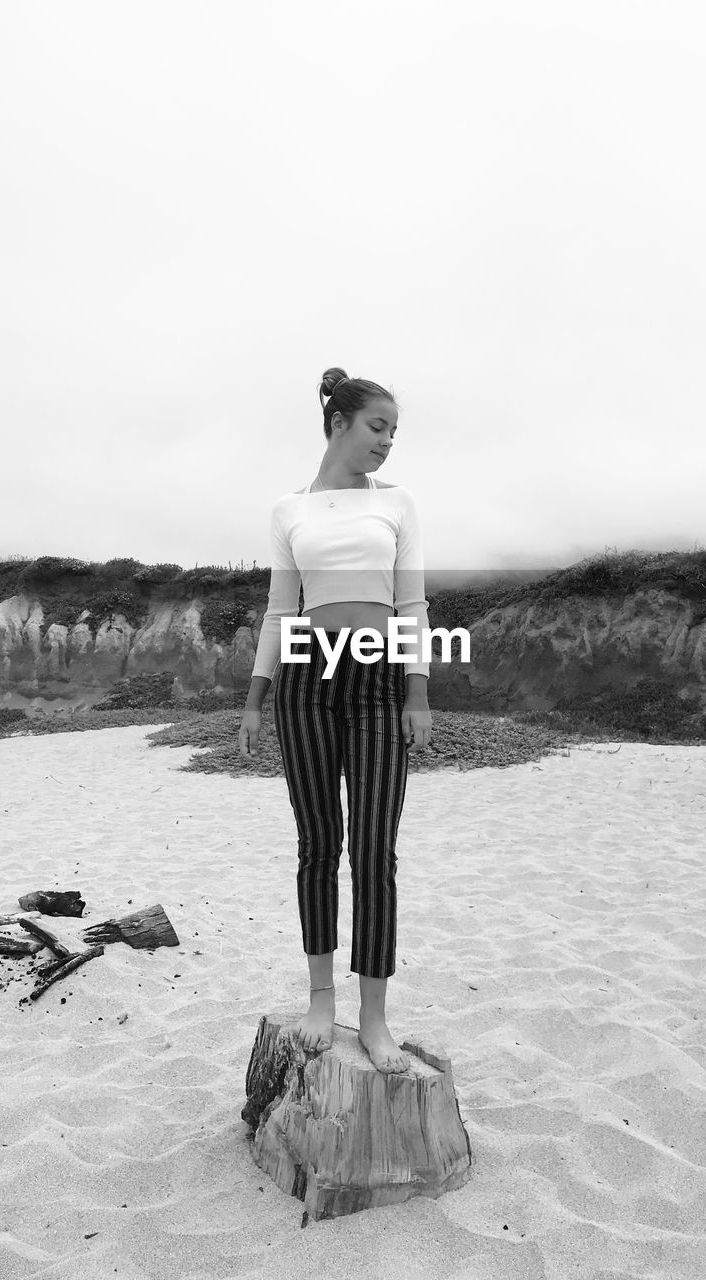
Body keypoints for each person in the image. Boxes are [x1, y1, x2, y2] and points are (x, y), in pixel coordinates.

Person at [238, 366, 433, 1074]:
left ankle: (375, 1018)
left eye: (393, 432)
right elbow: (277, 611)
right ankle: (322, 1002)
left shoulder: (399, 504)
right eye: (377, 427)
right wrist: (256, 699)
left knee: (374, 849)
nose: (386, 443)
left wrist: (417, 690)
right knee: (319, 845)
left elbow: (411, 605)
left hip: (380, 676)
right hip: (304, 680)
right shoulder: (289, 511)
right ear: (339, 423)